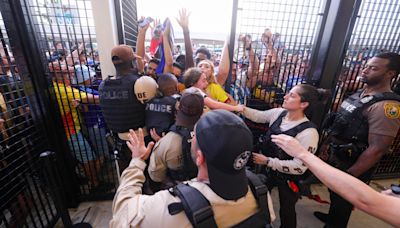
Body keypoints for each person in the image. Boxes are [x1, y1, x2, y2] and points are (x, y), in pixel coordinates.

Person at [110, 110, 274, 227]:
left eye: (195, 135)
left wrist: (137, 162)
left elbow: (121, 216)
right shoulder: (260, 192)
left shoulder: (169, 208)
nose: (192, 137)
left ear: (200, 157)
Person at [315, 52, 400, 227]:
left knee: (344, 200)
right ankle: (332, 217)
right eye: (367, 66)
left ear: (390, 73)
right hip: (338, 156)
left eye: (373, 68)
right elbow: (340, 123)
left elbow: (378, 148)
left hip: (353, 163)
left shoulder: (386, 106)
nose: (365, 70)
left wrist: (350, 176)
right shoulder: (361, 94)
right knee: (336, 196)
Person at [241, 84, 329, 228]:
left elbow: (300, 168)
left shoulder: (309, 133)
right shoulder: (279, 113)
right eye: (288, 93)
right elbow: (258, 115)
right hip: (267, 170)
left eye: (292, 95)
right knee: (259, 201)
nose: (285, 96)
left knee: (287, 210)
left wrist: (269, 161)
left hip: (288, 178)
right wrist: (238, 108)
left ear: (304, 104)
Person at [271, 134, 400, 228]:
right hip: (340, 160)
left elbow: (367, 201)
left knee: (343, 205)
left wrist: (302, 154)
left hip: (352, 165)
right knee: (336, 201)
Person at [98, 45, 146, 173]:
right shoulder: (138, 82)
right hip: (140, 141)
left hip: (118, 142)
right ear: (132, 62)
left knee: (127, 178)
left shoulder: (103, 85)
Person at [148, 91, 203, 186]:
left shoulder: (165, 143)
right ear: (202, 112)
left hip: (178, 192)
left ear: (178, 110)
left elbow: (156, 176)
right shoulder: (210, 134)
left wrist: (162, 144)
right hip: (206, 189)